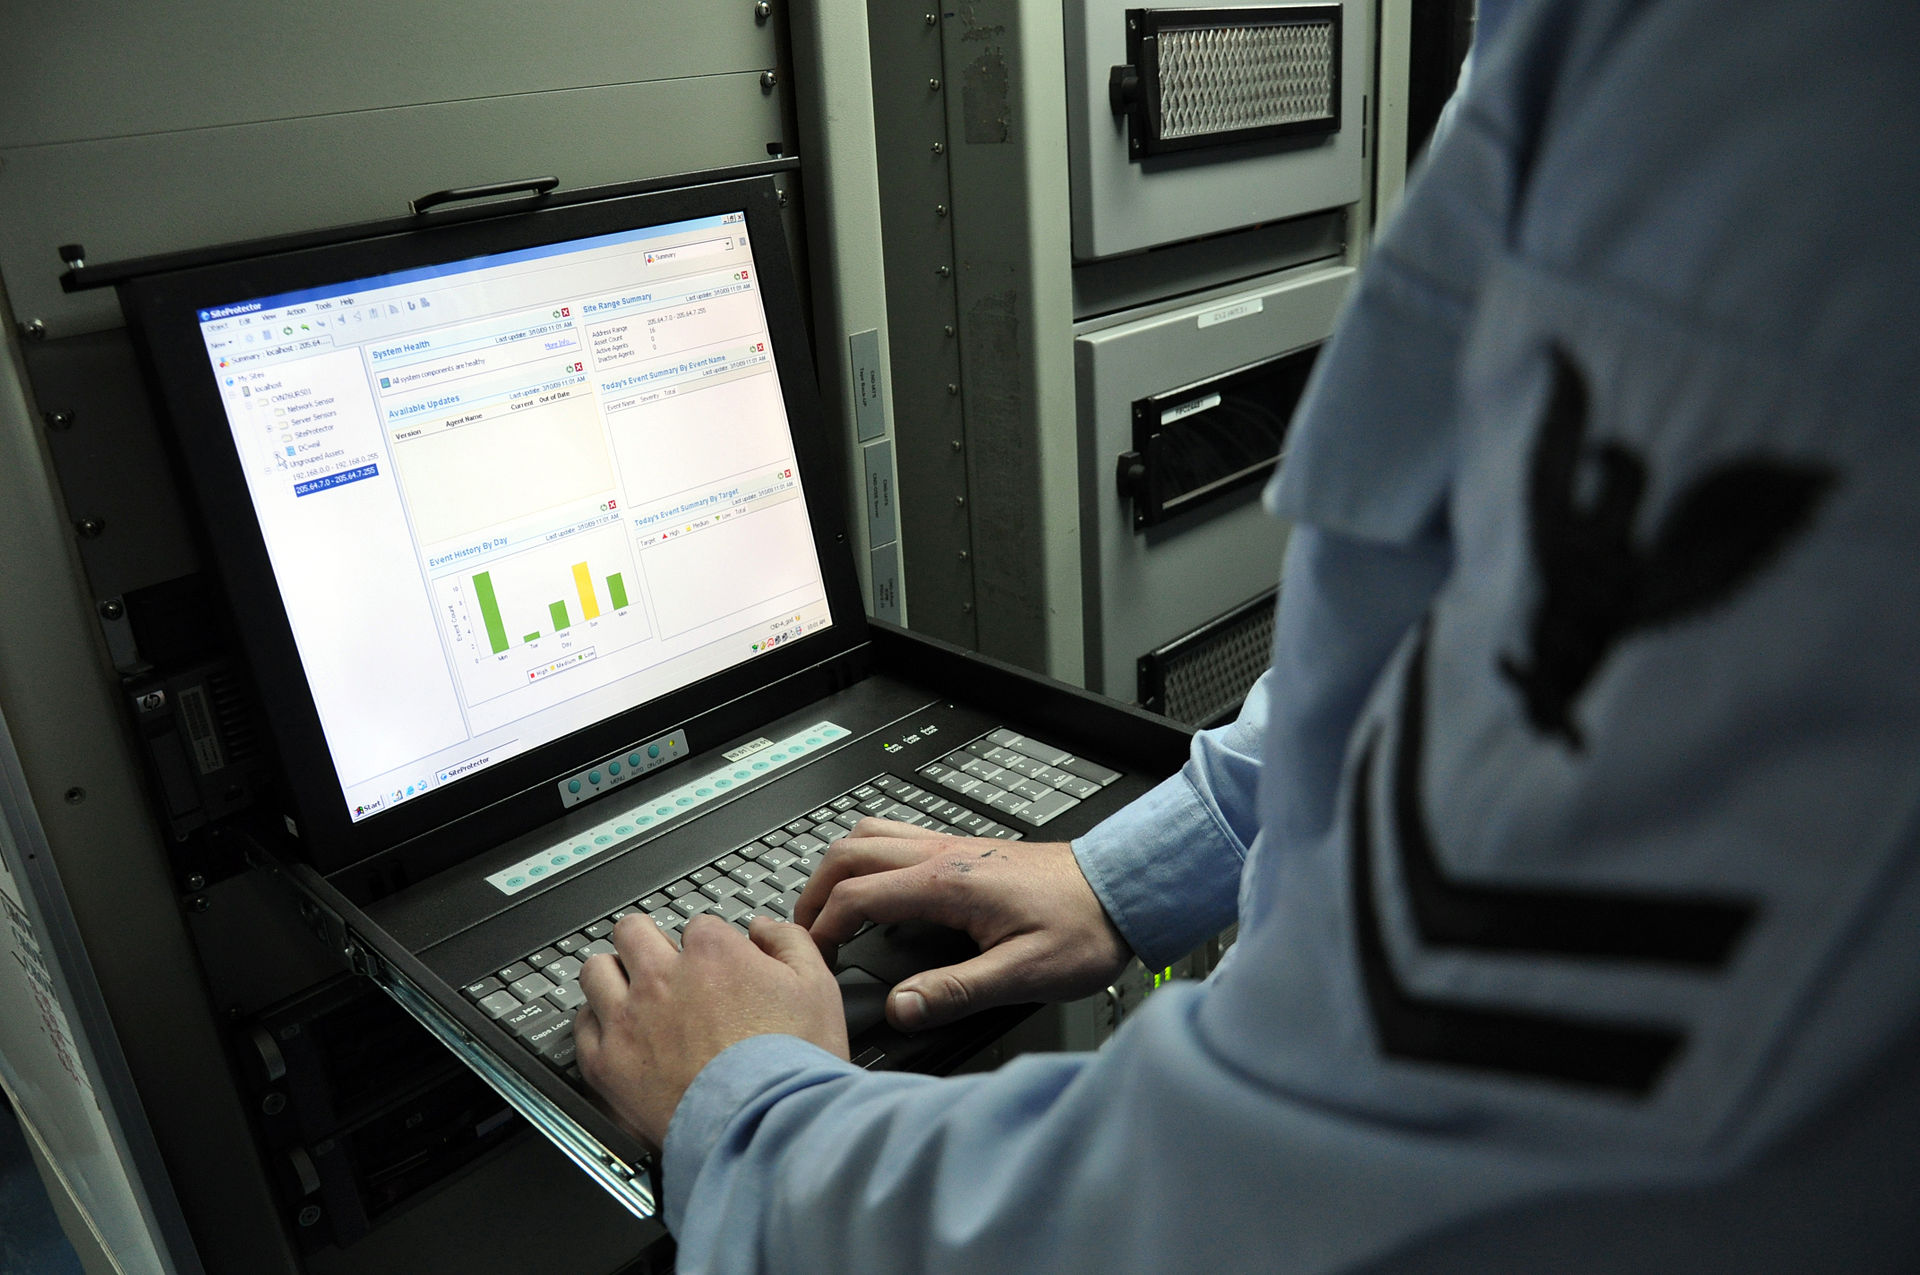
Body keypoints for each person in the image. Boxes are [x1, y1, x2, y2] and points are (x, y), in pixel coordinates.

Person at [573, 0, 1920, 1268]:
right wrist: (1150, 861)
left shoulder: (1782, 88)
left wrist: (746, 1116)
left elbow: (1336, 1189)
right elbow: (1479, 613)